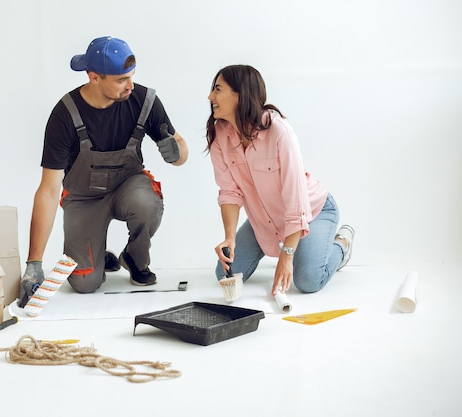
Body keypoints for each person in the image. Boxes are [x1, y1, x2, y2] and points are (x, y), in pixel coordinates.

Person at [18, 36, 188, 307]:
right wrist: (34, 263)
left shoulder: (144, 101)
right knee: (85, 284)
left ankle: (133, 257)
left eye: (131, 77)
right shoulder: (65, 115)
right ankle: (97, 256)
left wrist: (177, 153)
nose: (131, 85)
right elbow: (49, 191)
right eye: (121, 80)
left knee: (148, 203)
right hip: (84, 199)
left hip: (128, 188)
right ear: (94, 77)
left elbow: (180, 148)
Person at [206, 64, 354, 296]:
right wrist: (229, 238)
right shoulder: (220, 135)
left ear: (240, 95)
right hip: (265, 220)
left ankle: (341, 244)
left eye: (217, 89)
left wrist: (287, 256)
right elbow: (229, 192)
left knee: (307, 280)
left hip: (312, 212)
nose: (210, 96)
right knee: (225, 274)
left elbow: (296, 202)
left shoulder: (279, 132)